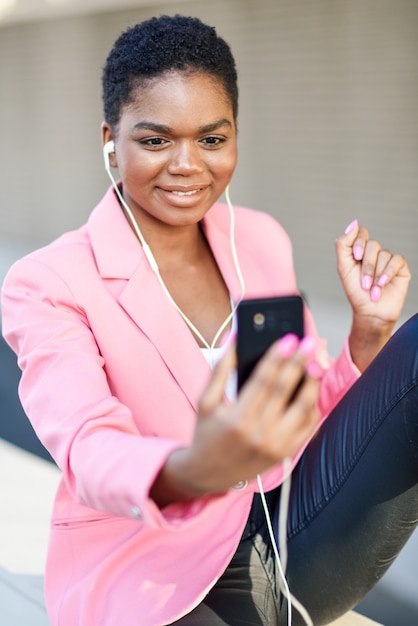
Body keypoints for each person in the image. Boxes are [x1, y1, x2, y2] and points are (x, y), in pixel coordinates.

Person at [1, 14, 417, 626]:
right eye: (155, 140)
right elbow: (89, 451)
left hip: (291, 532)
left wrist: (369, 336)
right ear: (110, 140)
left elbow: (305, 412)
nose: (188, 165)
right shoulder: (50, 281)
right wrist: (201, 466)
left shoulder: (259, 240)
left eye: (212, 140)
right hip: (154, 571)